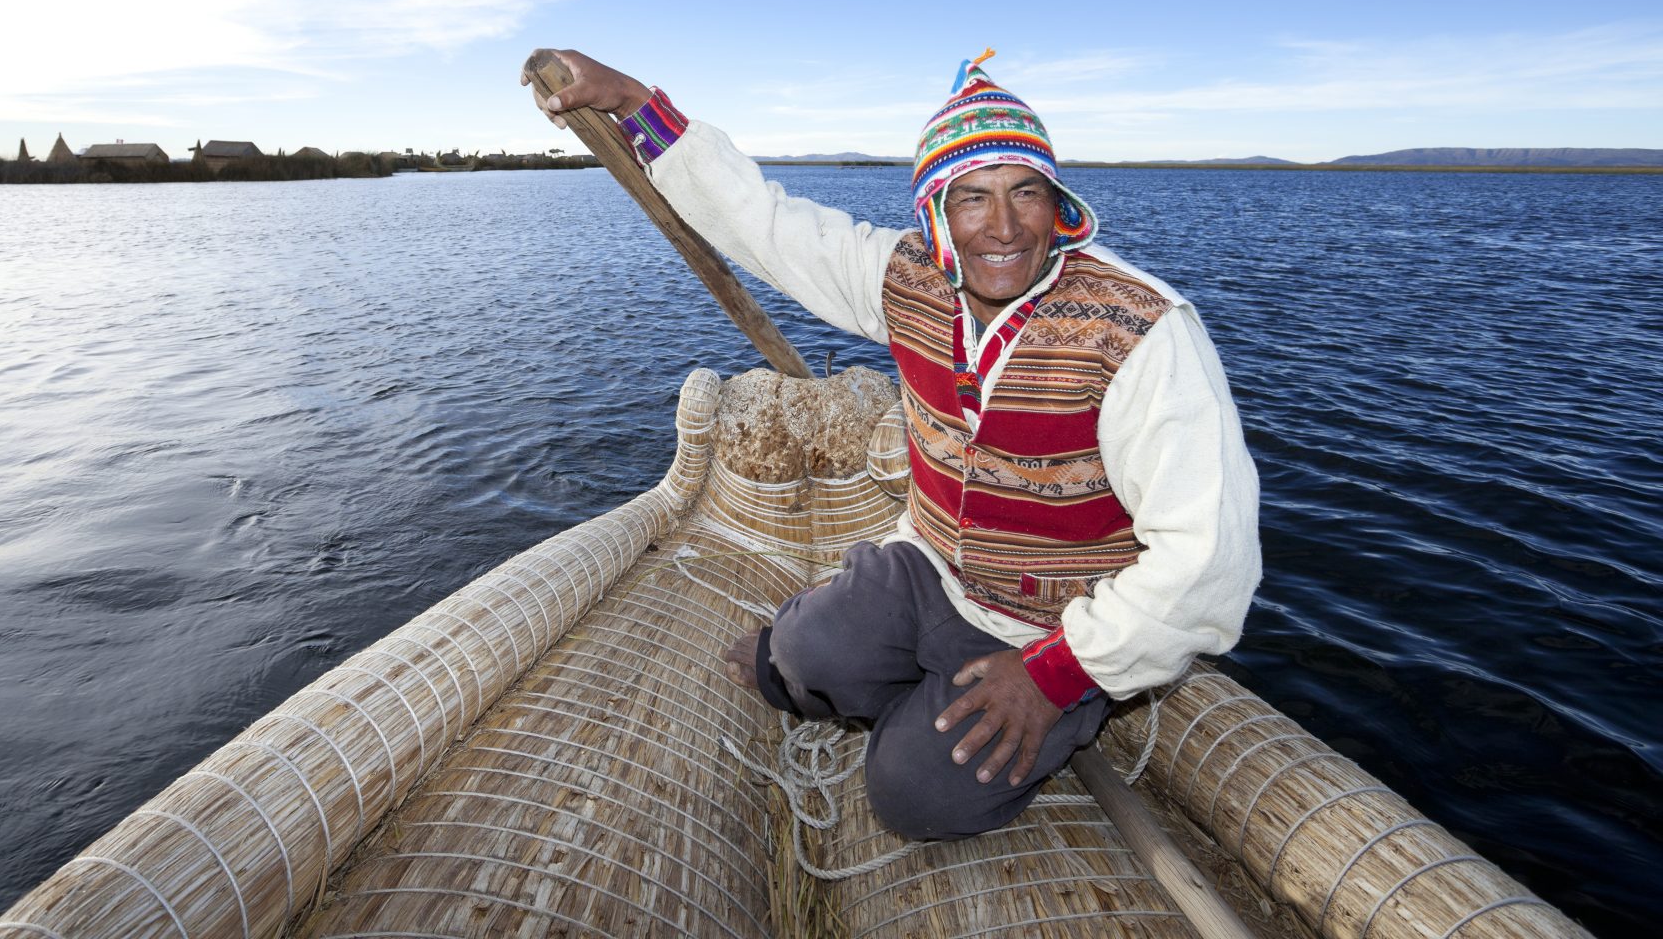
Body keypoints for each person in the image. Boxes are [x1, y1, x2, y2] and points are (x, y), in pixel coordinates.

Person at [533, 48, 1261, 841]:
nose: (1004, 225)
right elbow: (768, 225)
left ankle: (1060, 705)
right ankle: (868, 663)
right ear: (935, 212)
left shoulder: (1143, 330)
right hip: (931, 567)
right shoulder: (907, 276)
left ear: (1058, 204)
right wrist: (637, 104)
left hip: (1052, 624)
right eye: (971, 197)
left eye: (1026, 192)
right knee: (803, 659)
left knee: (913, 796)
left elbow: (1207, 562)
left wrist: (1055, 673)